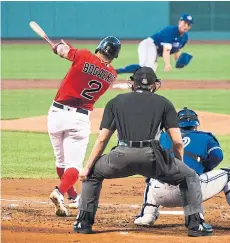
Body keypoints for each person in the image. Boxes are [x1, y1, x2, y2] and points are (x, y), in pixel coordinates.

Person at [73, 67, 213, 237]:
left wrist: (88, 167)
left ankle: (83, 222)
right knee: (189, 176)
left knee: (93, 174)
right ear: (154, 85)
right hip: (152, 158)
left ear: (132, 83)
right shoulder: (164, 103)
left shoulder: (115, 102)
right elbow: (177, 142)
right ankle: (195, 225)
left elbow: (102, 140)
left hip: (120, 156)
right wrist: (177, 167)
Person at [134, 107, 230, 230]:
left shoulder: (162, 137)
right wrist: (203, 169)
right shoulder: (205, 137)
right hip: (192, 193)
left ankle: (147, 215)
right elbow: (218, 156)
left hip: (161, 194)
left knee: (153, 173)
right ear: (196, 125)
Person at [48, 36, 121, 217]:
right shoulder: (112, 74)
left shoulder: (82, 55)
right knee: (74, 165)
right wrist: (66, 49)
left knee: (61, 161)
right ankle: (60, 192)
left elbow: (63, 52)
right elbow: (91, 66)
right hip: (79, 118)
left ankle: (73, 197)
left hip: (56, 114)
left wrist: (58, 47)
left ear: (100, 47)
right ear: (114, 56)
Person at [115, 13, 193, 74]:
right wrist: (167, 64)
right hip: (149, 45)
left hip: (155, 51)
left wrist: (178, 61)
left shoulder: (185, 37)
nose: (186, 26)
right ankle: (118, 71)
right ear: (179, 22)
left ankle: (134, 81)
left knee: (150, 72)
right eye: (184, 23)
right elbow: (166, 50)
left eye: (188, 24)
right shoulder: (171, 31)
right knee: (146, 67)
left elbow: (177, 50)